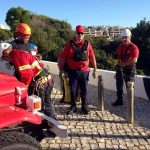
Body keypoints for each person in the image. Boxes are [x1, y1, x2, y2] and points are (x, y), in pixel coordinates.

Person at [0, 42, 55, 118]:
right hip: (46, 80)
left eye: (4, 58)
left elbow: (27, 74)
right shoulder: (18, 53)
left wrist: (24, 88)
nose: (5, 60)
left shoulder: (16, 56)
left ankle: (49, 125)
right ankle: (48, 123)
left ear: (6, 52)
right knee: (46, 104)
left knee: (43, 106)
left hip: (42, 83)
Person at [58, 25, 97, 114]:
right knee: (73, 89)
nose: (80, 35)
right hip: (73, 71)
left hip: (84, 71)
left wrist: (95, 69)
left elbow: (92, 57)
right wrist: (61, 70)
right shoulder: (69, 44)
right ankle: (73, 106)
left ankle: (84, 106)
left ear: (83, 35)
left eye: (81, 33)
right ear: (75, 34)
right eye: (78, 33)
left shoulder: (88, 44)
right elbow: (63, 57)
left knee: (84, 89)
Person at [112, 28, 139, 106]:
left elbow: (134, 60)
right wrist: (115, 56)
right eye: (123, 37)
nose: (124, 39)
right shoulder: (120, 46)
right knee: (119, 86)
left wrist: (123, 64)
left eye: (126, 37)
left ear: (130, 37)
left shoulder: (134, 47)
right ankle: (119, 100)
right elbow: (117, 56)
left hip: (129, 70)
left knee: (129, 87)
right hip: (120, 69)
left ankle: (131, 103)